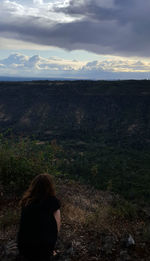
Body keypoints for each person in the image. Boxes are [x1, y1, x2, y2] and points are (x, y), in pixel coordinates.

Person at [17, 173, 61, 261]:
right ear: (50, 186)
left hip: (23, 247)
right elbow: (58, 207)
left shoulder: (26, 201)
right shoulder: (52, 201)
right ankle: (52, 247)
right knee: (57, 211)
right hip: (43, 250)